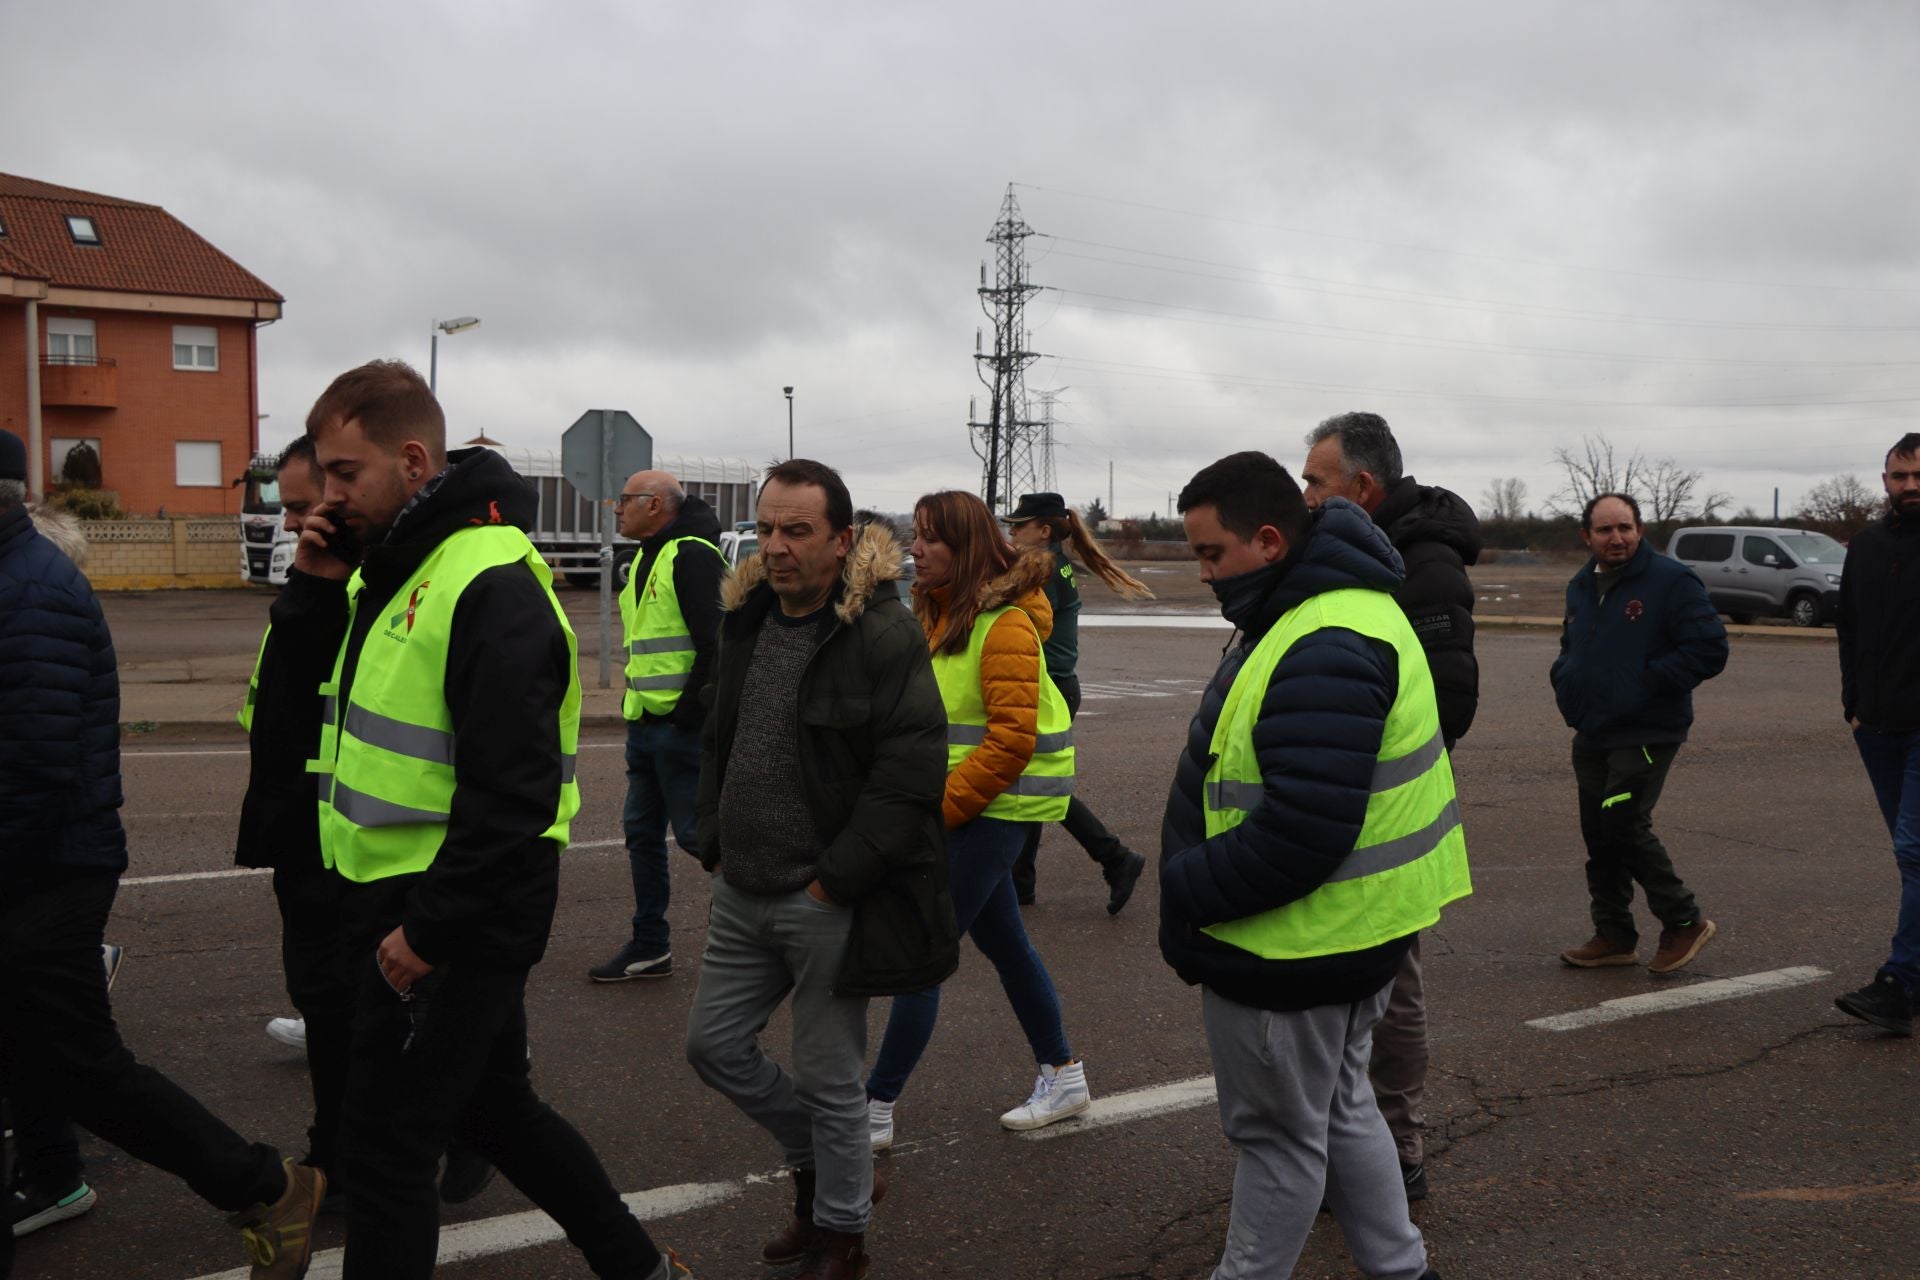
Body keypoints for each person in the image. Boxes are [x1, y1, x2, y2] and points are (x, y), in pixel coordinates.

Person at [291, 362, 688, 1279]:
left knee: (386, 1153)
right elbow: (305, 721)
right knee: (495, 1111)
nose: (331, 493)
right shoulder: (394, 565)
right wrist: (315, 580)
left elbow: (513, 796)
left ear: (414, 459)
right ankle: (639, 1267)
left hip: (448, 916)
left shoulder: (487, 579)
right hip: (397, 901)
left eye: (347, 474)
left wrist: (424, 933)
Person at [0, 427, 326, 1280]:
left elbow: (27, 768)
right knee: (37, 1043)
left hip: (45, 867)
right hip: (38, 861)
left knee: (82, 1062)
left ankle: (265, 1186)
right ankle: (55, 1173)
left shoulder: (30, 592)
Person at [1162, 451, 1464, 1280]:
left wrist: (1186, 891)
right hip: (1354, 933)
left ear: (1267, 541)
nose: (1203, 573)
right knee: (1341, 1109)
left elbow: (1300, 834)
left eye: (1210, 554)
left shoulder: (1322, 637)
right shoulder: (1329, 606)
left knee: (1279, 1143)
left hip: (1294, 946)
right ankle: (1403, 1269)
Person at [686, 459, 956, 1280]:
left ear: (843, 542)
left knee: (832, 1077)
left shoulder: (881, 632)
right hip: (742, 889)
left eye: (796, 531)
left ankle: (841, 1235)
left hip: (823, 897)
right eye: (767, 528)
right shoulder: (745, 619)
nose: (775, 547)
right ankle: (822, 1162)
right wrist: (713, 839)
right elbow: (718, 739)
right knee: (713, 1047)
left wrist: (835, 880)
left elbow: (910, 772)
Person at [865, 489, 1093, 1151]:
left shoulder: (1005, 623)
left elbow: (1012, 740)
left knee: (923, 952)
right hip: (971, 804)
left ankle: (874, 1108)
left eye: (932, 538)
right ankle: (1064, 1074)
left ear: (965, 549)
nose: (916, 548)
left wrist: (935, 814)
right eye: (916, 535)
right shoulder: (945, 616)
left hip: (993, 807)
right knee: (1005, 943)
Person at [1300, 411, 1481, 1201]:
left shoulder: (1425, 564)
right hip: (1339, 805)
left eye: (1316, 481)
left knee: (1394, 990)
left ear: (1362, 489)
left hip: (1389, 815)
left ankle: (1399, 1148)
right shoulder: (1344, 552)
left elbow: (1448, 700)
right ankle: (1338, 1140)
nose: (1304, 494)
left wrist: (1350, 759)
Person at [234, 436, 354, 1208]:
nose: (294, 527)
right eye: (287, 513)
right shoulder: (312, 580)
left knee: (342, 1008)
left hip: (337, 832)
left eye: (307, 509)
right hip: (295, 823)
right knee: (325, 999)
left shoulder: (360, 590)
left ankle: (342, 1159)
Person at [1550, 492, 1726, 974]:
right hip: (1594, 729)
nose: (1617, 538)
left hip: (1647, 729)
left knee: (1624, 823)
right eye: (1605, 530)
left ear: (1640, 530)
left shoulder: (1671, 581)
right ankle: (1614, 934)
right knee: (1599, 834)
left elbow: (1709, 649)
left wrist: (1646, 684)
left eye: (1625, 527)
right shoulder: (1581, 585)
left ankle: (1684, 920)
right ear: (1587, 536)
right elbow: (1572, 646)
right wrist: (1565, 679)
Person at [590, 469, 725, 982]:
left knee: (698, 836)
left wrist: (685, 715)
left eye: (624, 500)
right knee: (641, 833)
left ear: (655, 505)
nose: (617, 509)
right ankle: (651, 945)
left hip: (677, 728)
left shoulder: (692, 555)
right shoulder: (648, 555)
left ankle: (762, 932)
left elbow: (718, 645)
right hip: (645, 723)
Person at [1002, 491, 1151, 914]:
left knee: (1041, 785)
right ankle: (1021, 882)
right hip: (1054, 684)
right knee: (1031, 784)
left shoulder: (1043, 569)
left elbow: (1022, 624)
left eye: (1018, 526)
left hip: (1048, 685)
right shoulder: (1053, 564)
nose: (1011, 533)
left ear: (1043, 530)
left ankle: (1116, 857)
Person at [1833, 432, 1920, 1036]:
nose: (1910, 486)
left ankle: (1899, 983)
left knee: (1917, 852)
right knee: (1910, 857)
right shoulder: (1865, 546)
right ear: (1885, 481)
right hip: (1879, 727)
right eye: (1899, 476)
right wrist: (1854, 706)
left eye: (1918, 476)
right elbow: (1849, 628)